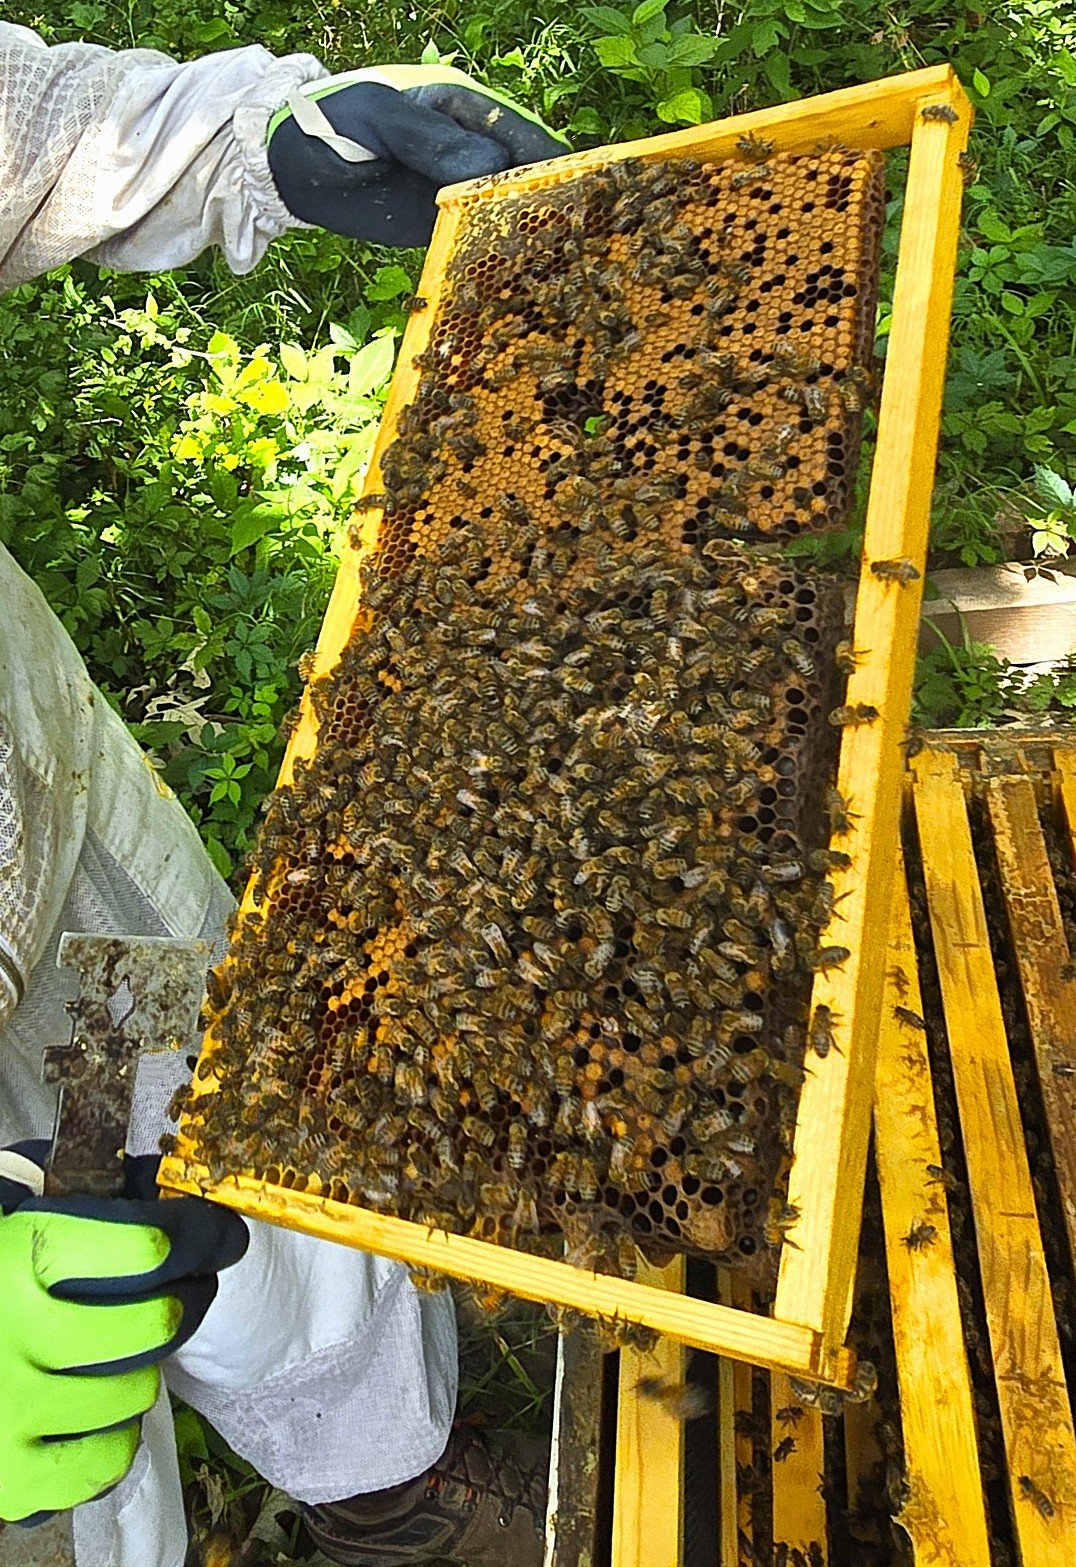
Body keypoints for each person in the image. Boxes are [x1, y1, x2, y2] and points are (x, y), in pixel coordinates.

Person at [0, 24, 572, 1567]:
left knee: (248, 1134)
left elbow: (30, 131)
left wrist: (260, 136)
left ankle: (376, 1486)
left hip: (40, 850)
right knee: (62, 1424)